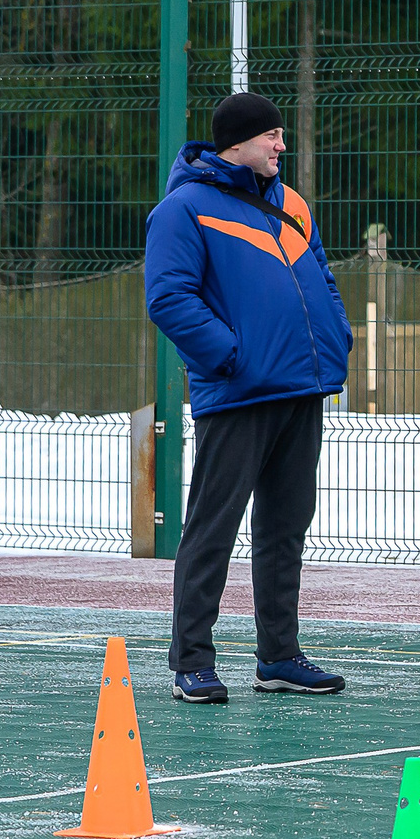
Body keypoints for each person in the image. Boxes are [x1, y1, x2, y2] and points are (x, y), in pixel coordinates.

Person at [144, 91, 353, 704]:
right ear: (238, 142)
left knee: (285, 529)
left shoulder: (292, 205)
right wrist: (231, 358)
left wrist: (335, 340)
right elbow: (169, 299)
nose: (282, 147)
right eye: (274, 137)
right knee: (212, 528)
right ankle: (192, 662)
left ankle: (280, 657)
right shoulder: (183, 209)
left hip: (302, 388)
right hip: (238, 394)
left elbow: (325, 281)